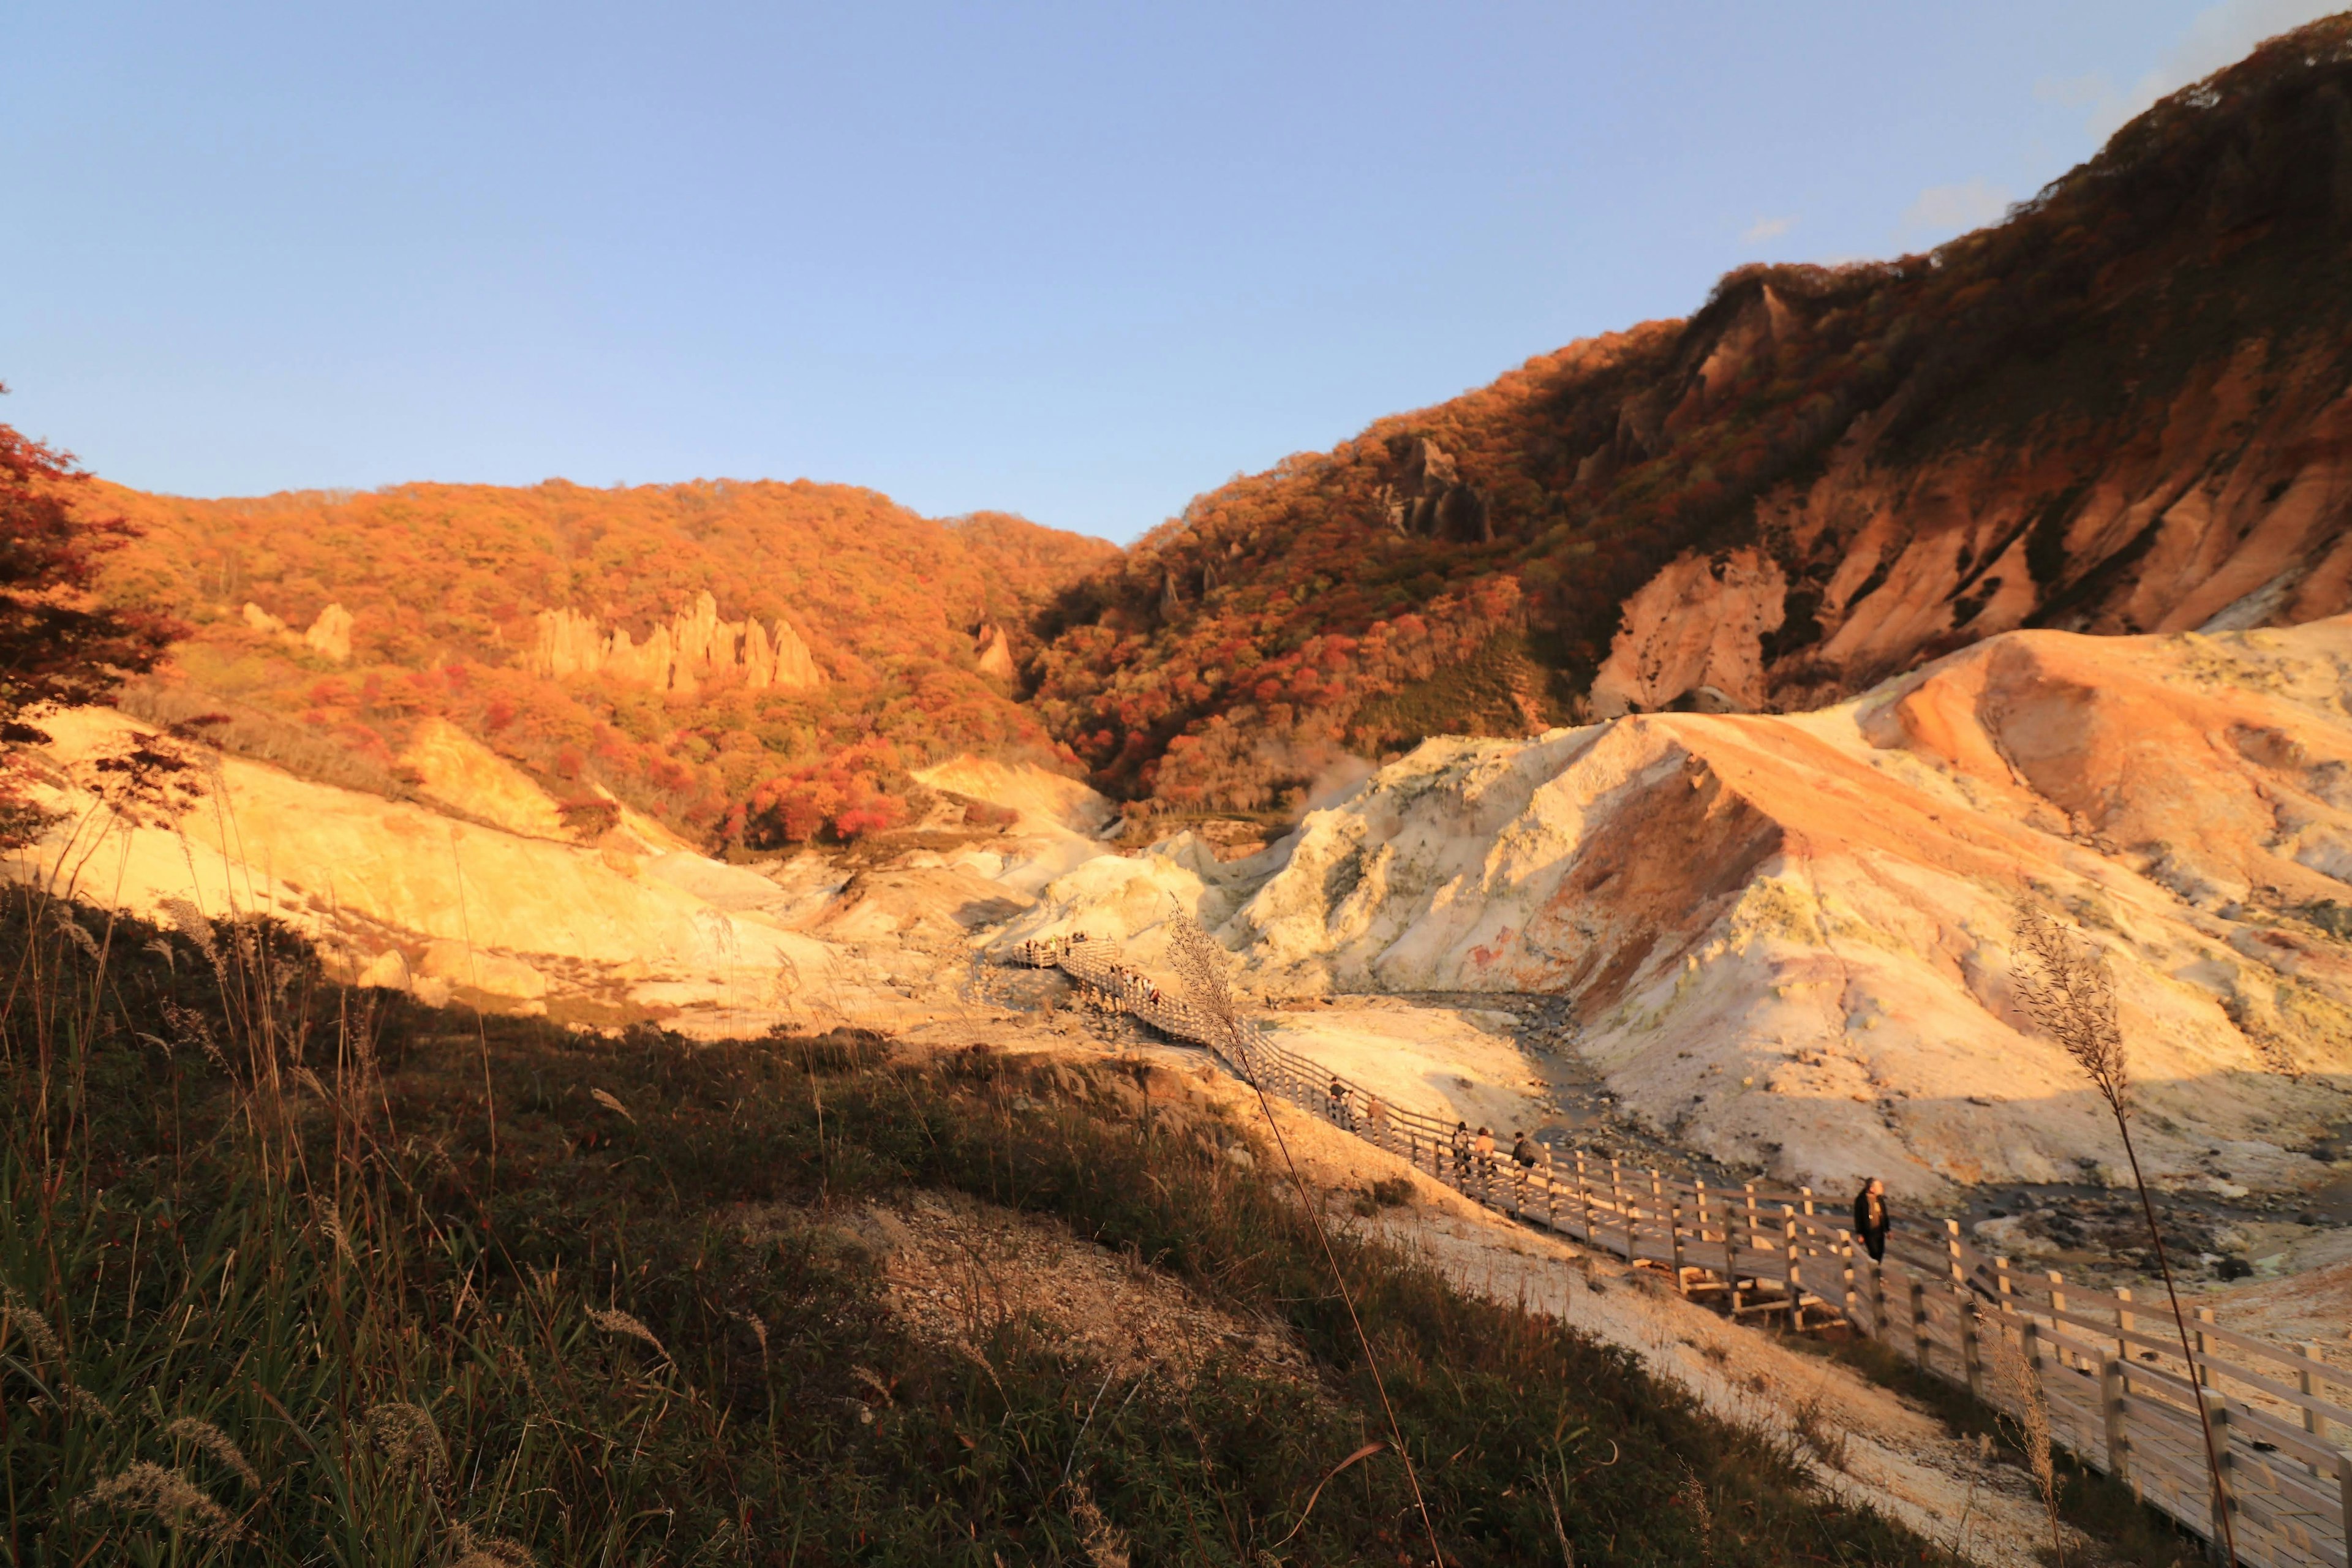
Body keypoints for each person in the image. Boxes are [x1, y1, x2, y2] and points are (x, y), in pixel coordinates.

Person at [1853, 1177, 1890, 1263]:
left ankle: (1876, 1273)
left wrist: (1888, 1230)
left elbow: (1884, 1215)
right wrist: (1859, 1233)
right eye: (1879, 1187)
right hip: (1868, 1232)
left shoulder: (1880, 1200)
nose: (1882, 1189)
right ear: (1872, 1189)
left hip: (1880, 1232)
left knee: (1880, 1253)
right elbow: (1858, 1218)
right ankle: (1875, 1274)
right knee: (1874, 1253)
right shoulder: (1861, 1200)